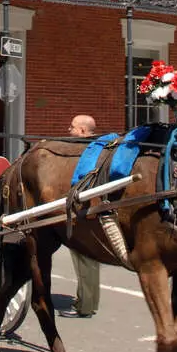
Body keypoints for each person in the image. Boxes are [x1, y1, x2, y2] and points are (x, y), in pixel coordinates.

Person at [59, 113, 101, 319]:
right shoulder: (99, 148)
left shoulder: (84, 151)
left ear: (83, 131)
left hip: (85, 210)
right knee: (89, 259)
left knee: (84, 258)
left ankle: (85, 305)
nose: (69, 130)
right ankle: (89, 302)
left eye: (73, 127)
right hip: (93, 209)